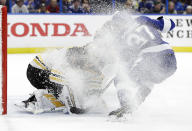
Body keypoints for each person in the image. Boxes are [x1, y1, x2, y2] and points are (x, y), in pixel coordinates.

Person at [16, 12, 177, 118]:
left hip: (151, 57)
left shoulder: (119, 43)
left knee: (118, 79)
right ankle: (130, 105)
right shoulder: (141, 20)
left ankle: (128, 106)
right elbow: (171, 24)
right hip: (170, 57)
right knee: (78, 103)